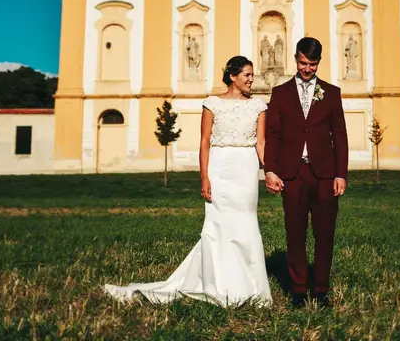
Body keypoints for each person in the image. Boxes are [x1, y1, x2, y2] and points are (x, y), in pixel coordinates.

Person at [103, 56, 272, 307]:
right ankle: (217, 282)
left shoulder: (258, 106)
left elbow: (261, 143)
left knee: (246, 224)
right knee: (218, 225)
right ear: (232, 76)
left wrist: (270, 170)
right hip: (220, 167)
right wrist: (204, 176)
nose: (251, 79)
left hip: (245, 169)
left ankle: (251, 286)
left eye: (252, 75)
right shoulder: (212, 103)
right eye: (247, 74)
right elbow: (204, 141)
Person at [264, 37, 348, 308]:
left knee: (325, 233)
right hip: (292, 174)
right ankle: (298, 290)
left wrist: (341, 174)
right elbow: (272, 135)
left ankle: (321, 289)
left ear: (318, 62)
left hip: (324, 174)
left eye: (312, 64)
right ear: (295, 58)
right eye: (303, 63)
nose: (307, 68)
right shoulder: (280, 93)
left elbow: (341, 136)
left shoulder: (331, 93)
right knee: (295, 233)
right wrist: (270, 170)